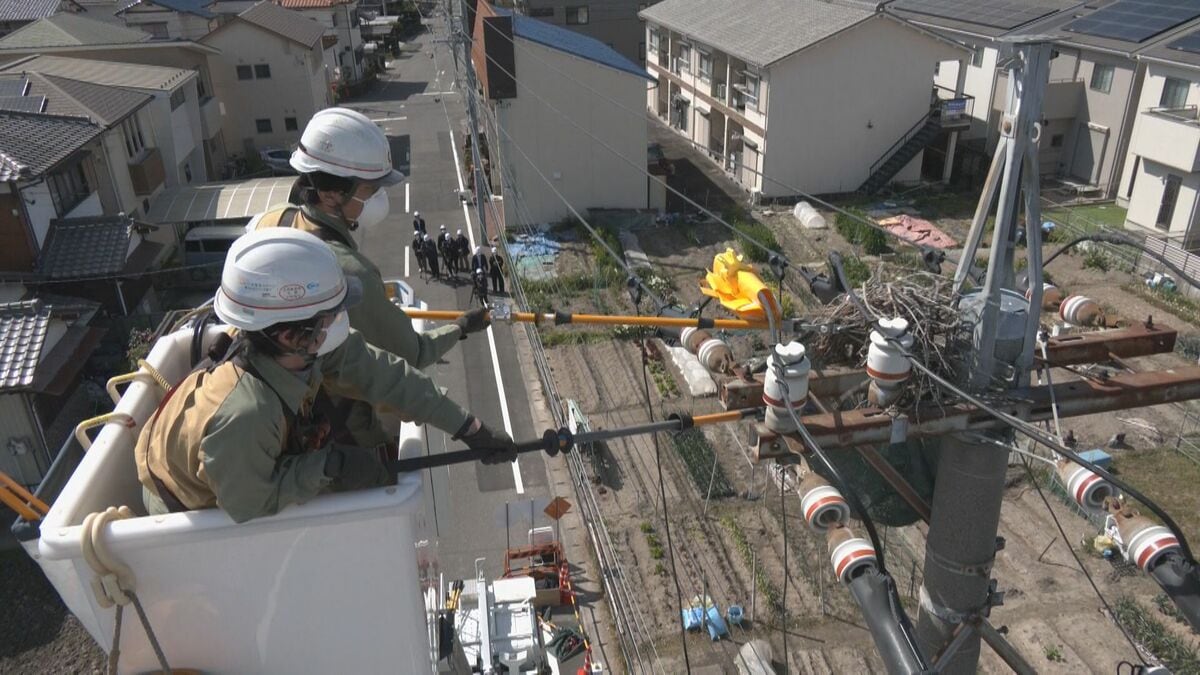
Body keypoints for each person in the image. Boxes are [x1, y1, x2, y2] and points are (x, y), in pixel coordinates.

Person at [134, 229, 517, 523]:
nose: (337, 323)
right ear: (288, 335)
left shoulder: (296, 349)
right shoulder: (247, 414)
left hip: (230, 466)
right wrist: (328, 466)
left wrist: (470, 428)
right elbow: (248, 504)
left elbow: (393, 377)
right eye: (328, 317)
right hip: (182, 510)